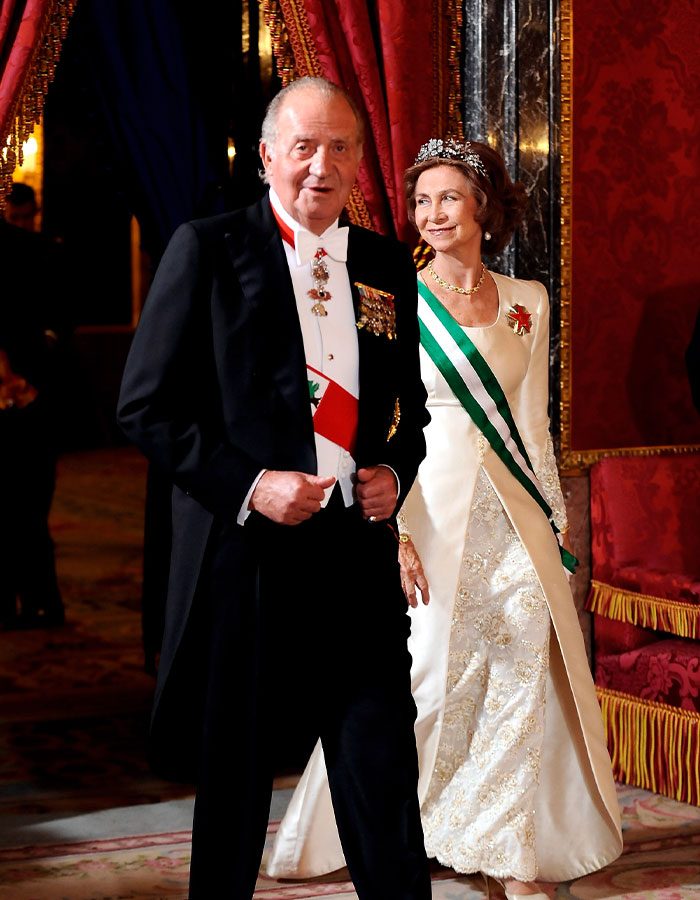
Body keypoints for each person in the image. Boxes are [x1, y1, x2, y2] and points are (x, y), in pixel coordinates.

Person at [267, 139, 623, 898]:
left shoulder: (528, 299)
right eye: (422, 201)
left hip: (516, 507)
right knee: (427, 676)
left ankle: (504, 848)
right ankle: (403, 823)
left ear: (483, 209)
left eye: (448, 199)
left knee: (527, 648)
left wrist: (555, 522)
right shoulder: (393, 294)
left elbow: (532, 420)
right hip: (424, 500)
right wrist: (390, 531)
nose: (431, 215)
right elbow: (378, 422)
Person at [116, 76, 432, 900]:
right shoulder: (209, 248)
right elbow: (144, 408)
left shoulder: (386, 265)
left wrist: (394, 470)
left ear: (361, 162)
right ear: (266, 157)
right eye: (303, 146)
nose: (320, 165)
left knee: (383, 776)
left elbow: (412, 412)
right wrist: (252, 484)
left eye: (340, 147)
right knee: (235, 792)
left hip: (355, 566)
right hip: (248, 567)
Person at [0, 197, 67, 629]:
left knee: (27, 509)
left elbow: (59, 313)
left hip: (32, 397)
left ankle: (39, 601)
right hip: (24, 393)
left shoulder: (37, 251)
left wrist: (34, 364)